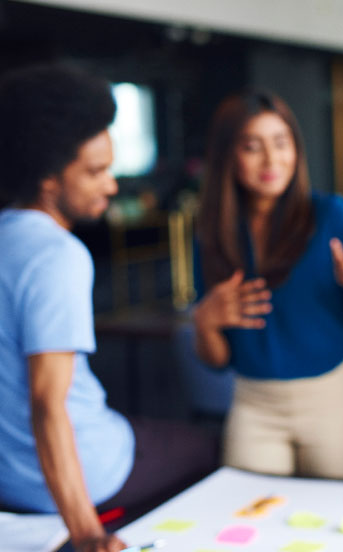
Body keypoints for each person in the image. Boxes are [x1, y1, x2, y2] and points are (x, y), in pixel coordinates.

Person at [0, 65, 217, 552]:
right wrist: (86, 534)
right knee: (211, 447)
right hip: (81, 475)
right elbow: (47, 404)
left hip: (6, 479)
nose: (112, 185)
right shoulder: (57, 254)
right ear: (48, 179)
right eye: (96, 172)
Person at [193, 91, 343, 481]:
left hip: (334, 397)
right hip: (254, 403)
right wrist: (205, 321)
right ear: (228, 157)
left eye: (281, 143)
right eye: (252, 146)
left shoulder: (333, 215)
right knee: (248, 528)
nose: (271, 160)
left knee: (334, 529)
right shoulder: (214, 234)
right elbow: (216, 361)